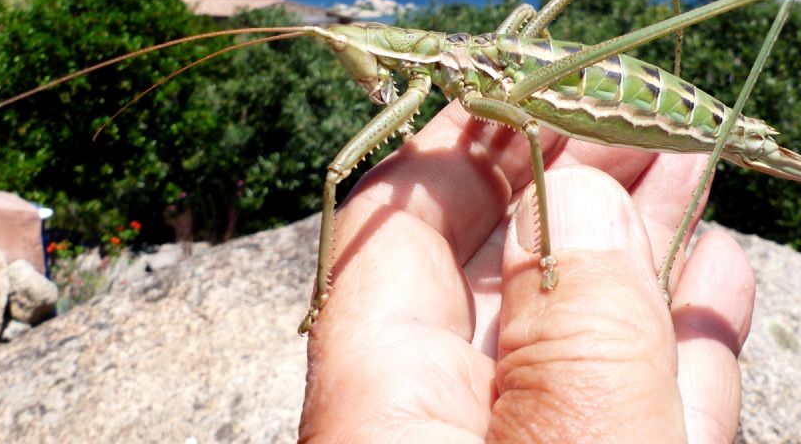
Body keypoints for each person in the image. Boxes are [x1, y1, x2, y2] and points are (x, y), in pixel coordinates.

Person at [299, 101, 755, 443]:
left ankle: (553, 250)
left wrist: (552, 256)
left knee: (337, 171)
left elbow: (532, 133)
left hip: (568, 80)